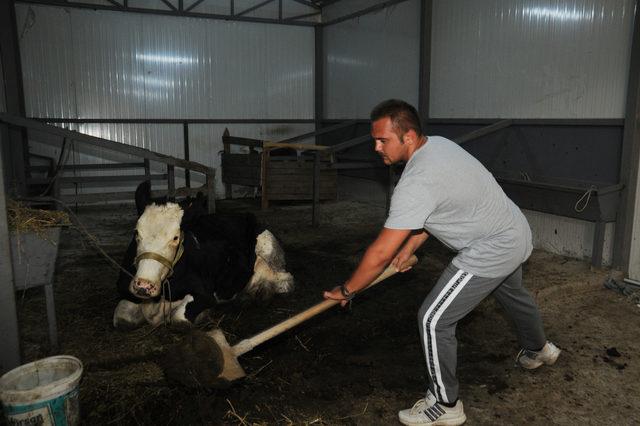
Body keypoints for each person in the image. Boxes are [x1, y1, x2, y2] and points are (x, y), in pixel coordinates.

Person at [323, 99, 560, 426]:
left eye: (382, 140)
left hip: (490, 246)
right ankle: (540, 350)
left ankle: (445, 404)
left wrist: (348, 289)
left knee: (433, 319)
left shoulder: (416, 182)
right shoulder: (439, 146)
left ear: (407, 137)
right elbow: (438, 210)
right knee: (514, 294)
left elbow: (379, 253)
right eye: (374, 139)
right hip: (514, 230)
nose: (376, 147)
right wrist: (408, 248)